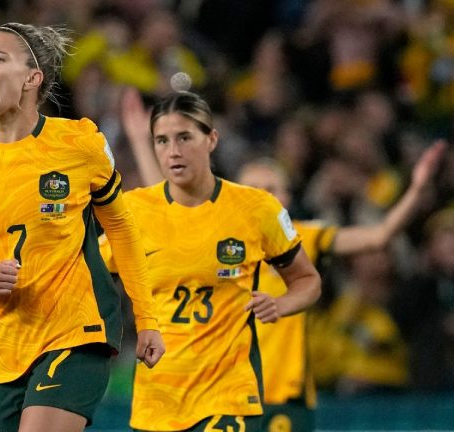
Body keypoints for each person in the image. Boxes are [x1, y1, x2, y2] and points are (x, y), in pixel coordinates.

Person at [0, 22, 165, 432]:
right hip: (3, 344)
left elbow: (124, 232)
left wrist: (147, 320)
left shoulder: (79, 144)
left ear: (31, 78)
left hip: (76, 331)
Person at [100, 91, 322, 432]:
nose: (173, 151)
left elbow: (307, 280)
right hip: (156, 399)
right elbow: (83, 274)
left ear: (211, 139)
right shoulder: (133, 212)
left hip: (228, 395)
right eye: (161, 140)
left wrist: (281, 304)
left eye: (184, 137)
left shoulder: (256, 209)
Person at [236, 140, 445, 431]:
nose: (260, 196)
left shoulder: (303, 240)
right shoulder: (219, 246)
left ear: (286, 197)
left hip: (286, 398)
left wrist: (416, 190)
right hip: (230, 395)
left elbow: (379, 237)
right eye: (250, 189)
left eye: (270, 188)